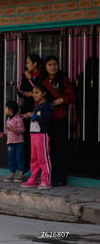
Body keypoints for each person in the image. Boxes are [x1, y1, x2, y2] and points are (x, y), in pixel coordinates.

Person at [40, 56, 75, 186]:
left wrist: (62, 100)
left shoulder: (63, 79)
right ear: (45, 67)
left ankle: (61, 178)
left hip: (60, 117)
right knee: (49, 148)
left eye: (55, 64)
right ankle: (50, 176)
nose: (53, 67)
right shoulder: (43, 81)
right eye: (50, 64)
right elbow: (37, 96)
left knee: (61, 148)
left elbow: (71, 96)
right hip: (46, 118)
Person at [21, 84, 53, 189]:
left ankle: (46, 180)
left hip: (42, 135)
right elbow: (36, 119)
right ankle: (33, 179)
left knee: (43, 158)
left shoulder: (46, 106)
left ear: (43, 93)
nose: (34, 95)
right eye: (33, 93)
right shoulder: (37, 106)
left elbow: (46, 121)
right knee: (34, 158)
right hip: (34, 135)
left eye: (37, 93)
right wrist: (29, 116)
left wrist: (33, 116)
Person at [18, 54, 44, 174]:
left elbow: (39, 91)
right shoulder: (25, 74)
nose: (26, 65)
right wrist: (27, 93)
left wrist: (30, 81)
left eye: (28, 62)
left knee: (38, 142)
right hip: (26, 110)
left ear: (35, 64)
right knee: (26, 140)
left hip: (38, 111)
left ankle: (39, 170)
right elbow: (19, 91)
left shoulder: (42, 75)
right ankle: (25, 169)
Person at [0, 100, 25, 183]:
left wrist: (14, 129)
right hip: (10, 142)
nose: (5, 110)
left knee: (19, 157)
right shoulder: (8, 119)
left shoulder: (18, 118)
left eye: (6, 108)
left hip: (19, 142)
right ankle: (12, 172)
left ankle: (21, 173)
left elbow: (22, 129)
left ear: (10, 109)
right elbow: (8, 131)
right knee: (11, 158)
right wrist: (4, 134)